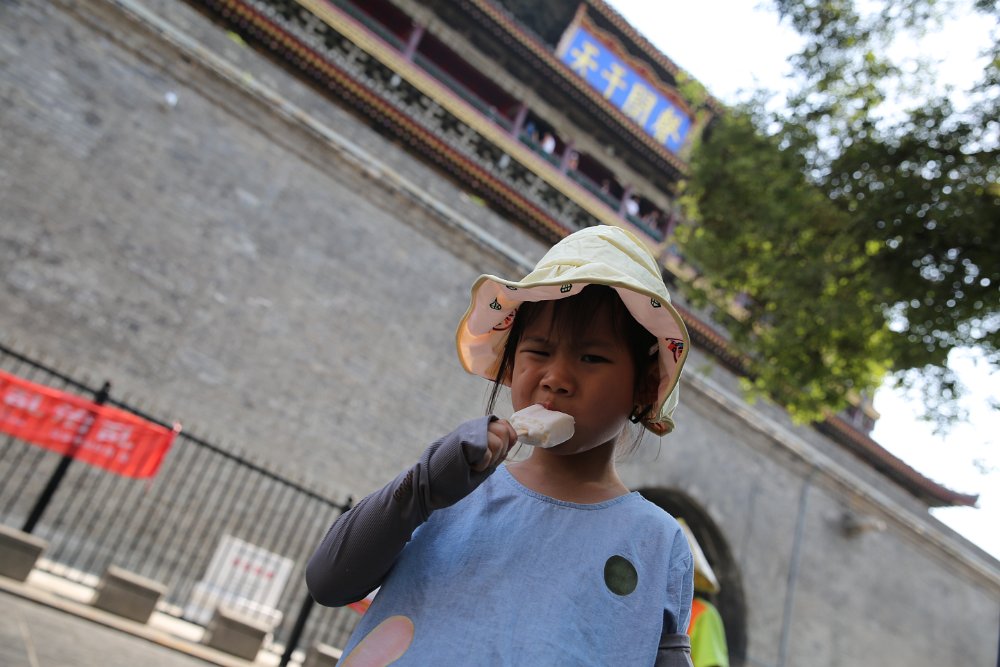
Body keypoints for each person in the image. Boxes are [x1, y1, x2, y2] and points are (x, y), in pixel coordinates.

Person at [307, 225, 695, 666]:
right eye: (538, 352)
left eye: (591, 357)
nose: (555, 378)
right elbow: (327, 582)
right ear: (511, 363)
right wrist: (424, 487)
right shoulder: (449, 484)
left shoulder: (657, 542)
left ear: (644, 386)